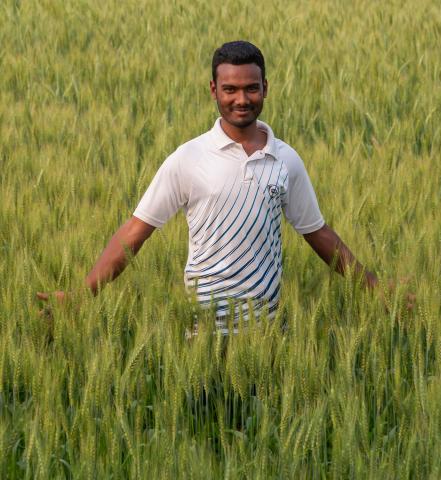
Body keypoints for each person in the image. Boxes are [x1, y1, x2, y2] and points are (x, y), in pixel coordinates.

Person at [37, 41, 410, 334]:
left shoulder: (286, 160)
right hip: (202, 331)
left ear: (266, 88)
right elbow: (135, 232)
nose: (241, 99)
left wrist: (375, 288)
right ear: (213, 89)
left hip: (267, 332)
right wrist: (81, 296)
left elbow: (319, 235)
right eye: (230, 89)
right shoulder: (189, 157)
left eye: (251, 88)